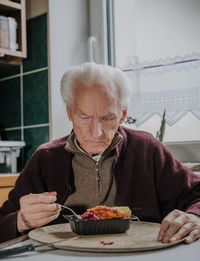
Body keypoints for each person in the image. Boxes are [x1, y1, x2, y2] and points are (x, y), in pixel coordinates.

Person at [0, 62, 200, 244]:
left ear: (122, 114)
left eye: (107, 118)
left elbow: (196, 195)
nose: (96, 133)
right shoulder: (45, 159)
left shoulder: (147, 149)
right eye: (85, 117)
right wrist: (20, 220)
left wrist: (195, 216)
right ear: (70, 112)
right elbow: (2, 223)